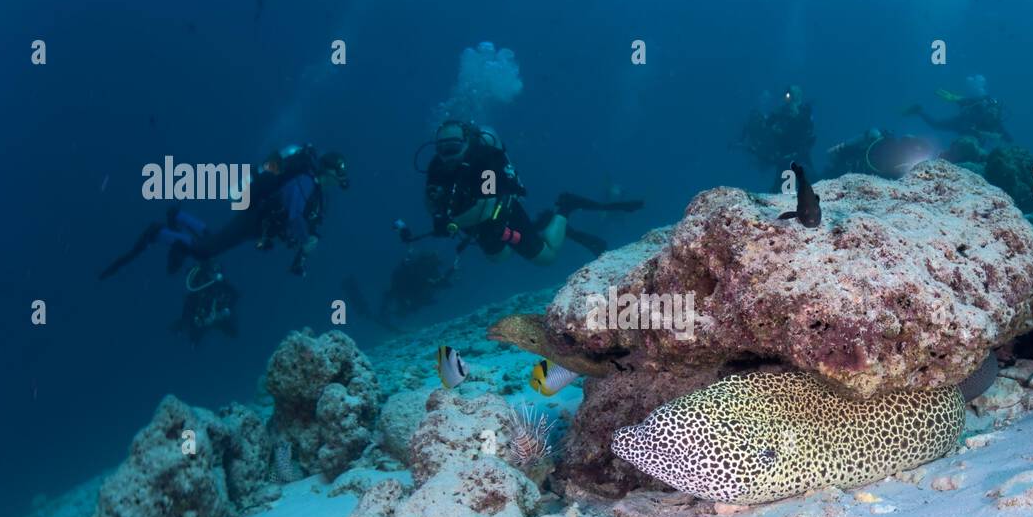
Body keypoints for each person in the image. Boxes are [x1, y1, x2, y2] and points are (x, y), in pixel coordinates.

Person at [396, 120, 641, 265]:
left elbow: (487, 207)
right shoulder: (436, 166)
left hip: (503, 213)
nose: (447, 154)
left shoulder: (486, 162)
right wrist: (437, 209)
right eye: (442, 148)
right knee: (498, 258)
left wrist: (450, 223)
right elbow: (431, 200)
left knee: (546, 259)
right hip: (471, 222)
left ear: (466, 144)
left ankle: (565, 207)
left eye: (454, 147)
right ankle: (538, 226)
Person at [100, 145, 348, 279]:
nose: (340, 181)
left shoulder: (316, 191)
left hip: (258, 222)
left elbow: (300, 218)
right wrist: (305, 243)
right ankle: (158, 232)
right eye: (338, 176)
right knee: (205, 251)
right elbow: (294, 215)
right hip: (255, 219)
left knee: (213, 242)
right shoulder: (305, 182)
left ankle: (178, 216)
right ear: (328, 172)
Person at [738, 85, 816, 179]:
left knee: (810, 177)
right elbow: (768, 123)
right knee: (780, 182)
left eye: (790, 96)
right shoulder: (782, 110)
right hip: (785, 153)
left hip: (800, 151)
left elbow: (807, 127)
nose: (787, 99)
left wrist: (796, 114)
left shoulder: (804, 110)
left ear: (797, 96)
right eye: (786, 96)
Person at [905, 89, 1013, 143]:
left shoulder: (997, 125)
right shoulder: (978, 111)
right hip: (959, 123)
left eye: (994, 113)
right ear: (987, 109)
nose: (991, 114)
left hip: (972, 138)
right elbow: (965, 102)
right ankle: (919, 111)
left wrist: (998, 137)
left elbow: (1008, 139)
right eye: (990, 111)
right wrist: (954, 98)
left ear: (998, 114)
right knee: (936, 124)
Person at [171, 261, 240, 345]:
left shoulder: (219, 285)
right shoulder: (194, 294)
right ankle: (189, 336)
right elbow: (188, 311)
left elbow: (234, 295)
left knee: (230, 331)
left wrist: (225, 310)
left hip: (217, 315)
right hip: (202, 317)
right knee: (194, 333)